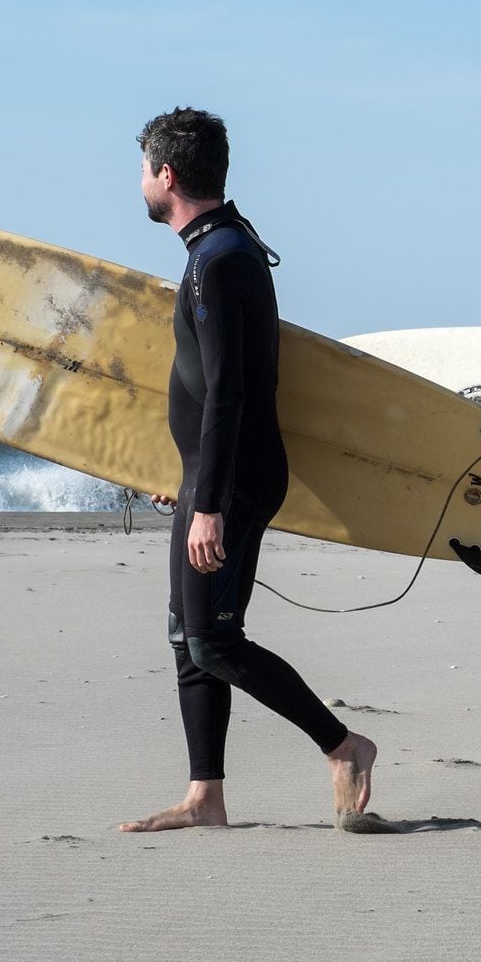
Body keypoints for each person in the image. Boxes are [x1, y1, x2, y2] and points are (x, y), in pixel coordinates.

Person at [118, 107, 380, 833]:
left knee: (214, 640)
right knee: (186, 632)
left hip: (231, 486)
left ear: (167, 176)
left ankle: (344, 744)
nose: (138, 182)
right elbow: (207, 385)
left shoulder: (222, 257)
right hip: (212, 477)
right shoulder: (217, 249)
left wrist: (209, 503)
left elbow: (234, 389)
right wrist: (189, 474)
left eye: (143, 169)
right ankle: (205, 795)